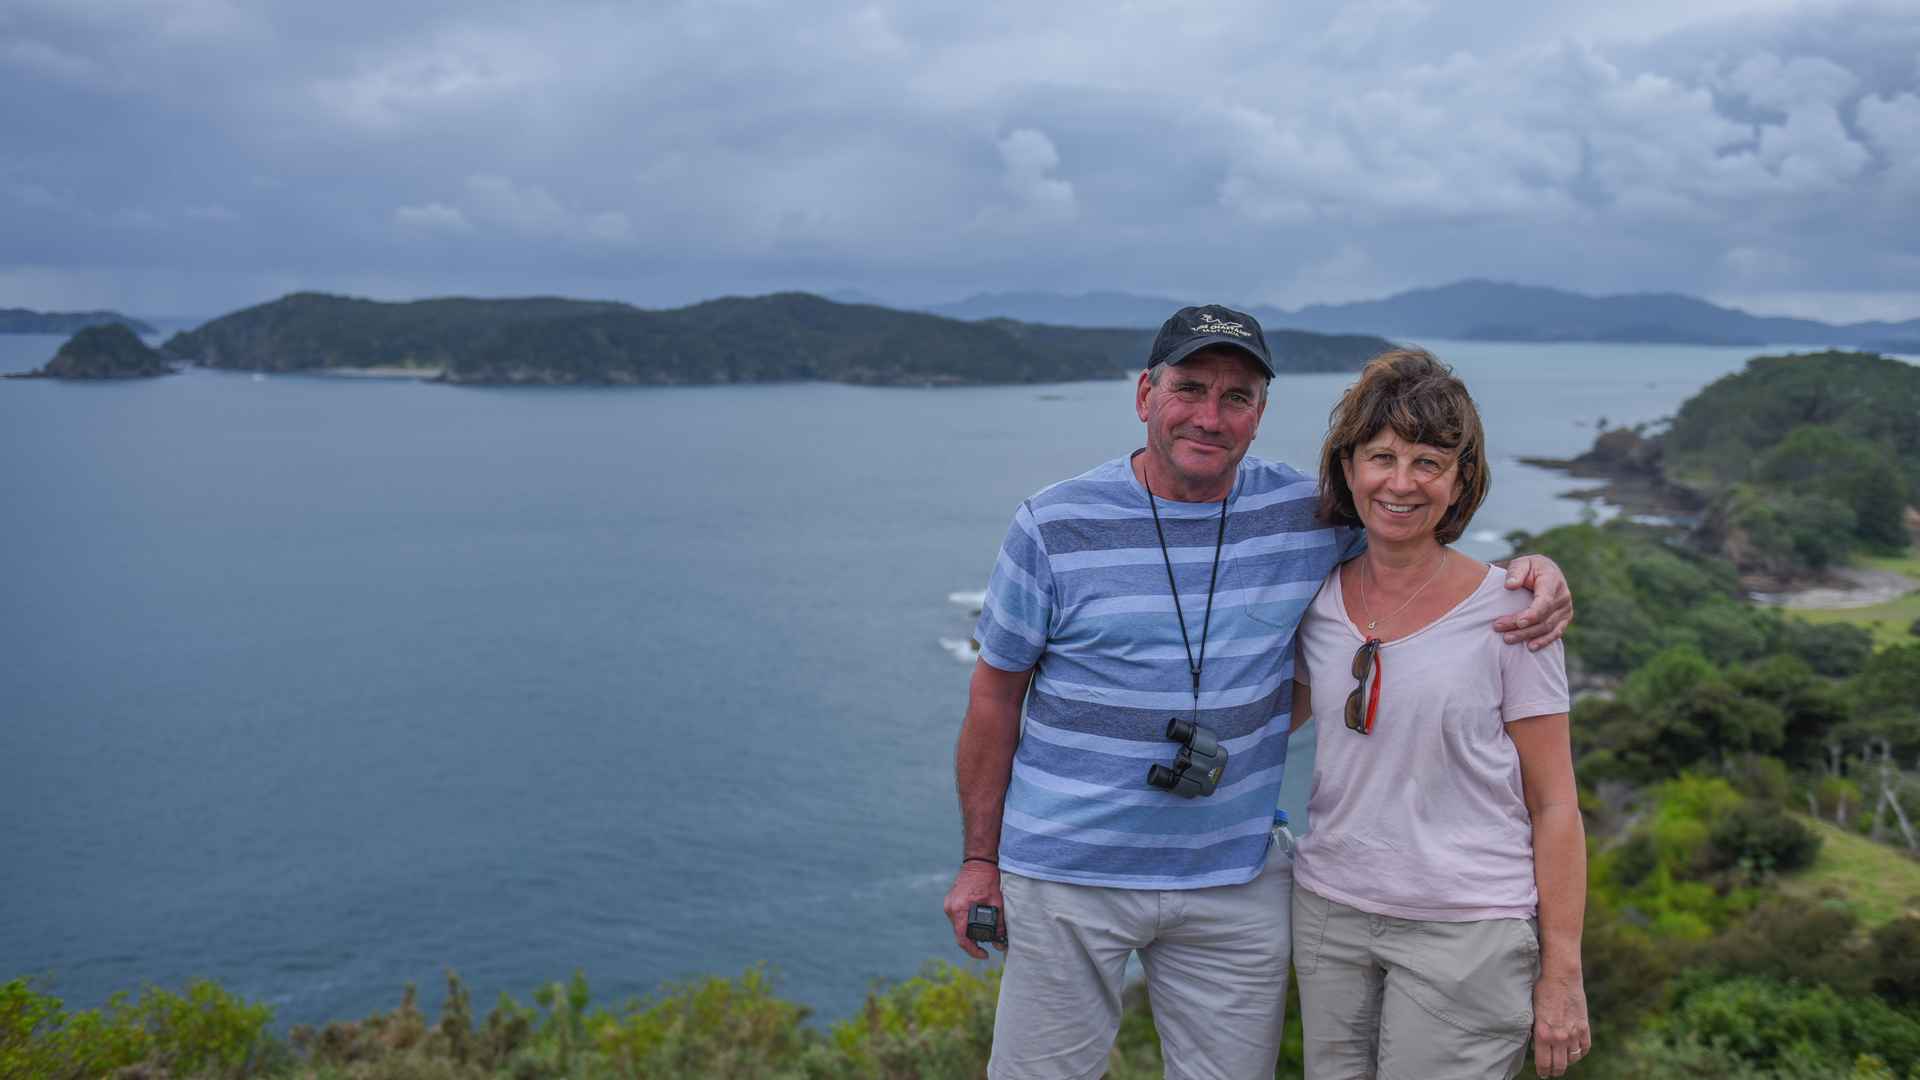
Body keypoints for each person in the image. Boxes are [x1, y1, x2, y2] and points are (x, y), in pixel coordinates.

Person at [942, 306, 1575, 1080]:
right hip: (1068, 873)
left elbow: (1411, 538)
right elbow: (994, 698)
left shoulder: (1306, 515)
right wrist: (979, 860)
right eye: (1190, 389)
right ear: (1145, 393)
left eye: (1236, 397)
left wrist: (1533, 569)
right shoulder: (1053, 524)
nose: (1210, 416)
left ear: (1260, 413)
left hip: (1233, 880)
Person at [1289, 347, 1590, 1080]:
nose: (1400, 482)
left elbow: (1554, 803)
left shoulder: (1515, 612)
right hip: (1328, 913)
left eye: (1427, 462)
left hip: (1468, 932)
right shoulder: (1315, 600)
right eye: (1381, 457)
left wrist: (1562, 975)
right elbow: (1258, 716)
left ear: (1460, 482)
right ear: (1347, 467)